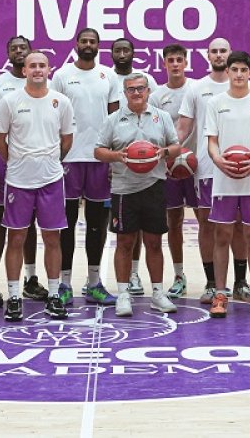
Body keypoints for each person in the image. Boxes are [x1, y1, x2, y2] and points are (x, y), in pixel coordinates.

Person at [0, 52, 76, 322]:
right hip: (19, 180)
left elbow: (66, 140)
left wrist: (49, 161)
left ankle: (53, 296)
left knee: (52, 238)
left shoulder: (61, 102)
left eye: (42, 65)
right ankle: (14, 296)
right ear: (24, 70)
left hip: (51, 180)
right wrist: (16, 161)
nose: (38, 70)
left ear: (49, 69)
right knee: (16, 239)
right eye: (32, 66)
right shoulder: (10, 101)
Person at [95, 73, 182, 316]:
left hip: (154, 185)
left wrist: (163, 151)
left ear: (148, 91)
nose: (136, 93)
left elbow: (175, 146)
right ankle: (123, 294)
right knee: (124, 242)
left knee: (154, 242)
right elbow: (98, 151)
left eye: (140, 89)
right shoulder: (113, 119)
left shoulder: (161, 116)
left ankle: (157, 293)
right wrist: (118, 155)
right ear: (124, 93)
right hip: (124, 189)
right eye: (131, 89)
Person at [49, 28, 120, 306]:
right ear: (76, 45)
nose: (88, 45)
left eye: (92, 42)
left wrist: (113, 156)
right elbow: (52, 113)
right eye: (83, 41)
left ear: (98, 46)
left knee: (97, 224)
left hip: (100, 159)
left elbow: (115, 119)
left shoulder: (109, 76)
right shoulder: (62, 76)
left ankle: (93, 283)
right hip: (68, 159)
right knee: (65, 224)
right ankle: (64, 283)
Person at [205, 51, 250, 319]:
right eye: (233, 69)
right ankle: (220, 294)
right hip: (223, 180)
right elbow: (211, 141)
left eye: (242, 70)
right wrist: (218, 160)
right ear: (228, 71)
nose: (237, 74)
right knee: (222, 236)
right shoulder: (216, 103)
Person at [177, 38, 250, 303]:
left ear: (230, 55)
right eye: (214, 51)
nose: (219, 55)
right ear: (207, 55)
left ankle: (241, 282)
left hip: (242, 168)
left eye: (223, 51)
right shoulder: (197, 88)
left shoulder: (248, 89)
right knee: (208, 225)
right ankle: (211, 283)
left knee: (241, 225)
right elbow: (184, 128)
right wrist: (171, 151)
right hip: (208, 169)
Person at [0, 36, 44, 307]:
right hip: (5, 159)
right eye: (13, 48)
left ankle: (30, 279)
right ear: (8, 54)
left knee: (29, 221)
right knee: (0, 220)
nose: (19, 51)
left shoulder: (43, 83)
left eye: (23, 48)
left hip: (35, 161)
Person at [110, 36, 158, 294]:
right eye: (117, 49)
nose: (122, 53)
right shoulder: (106, 78)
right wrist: (111, 156)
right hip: (117, 165)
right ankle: (117, 281)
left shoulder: (149, 82)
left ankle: (135, 275)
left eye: (126, 49)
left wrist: (159, 153)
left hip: (149, 172)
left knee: (148, 233)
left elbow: (158, 122)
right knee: (124, 232)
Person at [149, 43, 195, 298]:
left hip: (196, 165)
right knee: (173, 222)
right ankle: (179, 275)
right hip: (168, 168)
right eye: (171, 60)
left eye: (179, 59)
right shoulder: (157, 96)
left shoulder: (196, 88)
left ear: (186, 62)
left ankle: (212, 279)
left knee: (205, 223)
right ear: (164, 64)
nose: (175, 64)